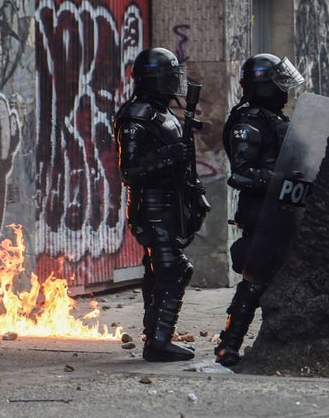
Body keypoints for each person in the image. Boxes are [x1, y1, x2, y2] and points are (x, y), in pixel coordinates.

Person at [113, 47, 207, 362]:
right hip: (150, 209)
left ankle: (155, 335)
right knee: (176, 269)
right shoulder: (136, 116)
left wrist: (193, 191)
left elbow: (181, 165)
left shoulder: (162, 113)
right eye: (169, 76)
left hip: (168, 206)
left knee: (158, 272)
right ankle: (159, 342)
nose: (174, 82)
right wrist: (169, 155)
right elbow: (130, 171)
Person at [215, 53, 305, 367]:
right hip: (261, 213)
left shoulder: (275, 118)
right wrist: (277, 179)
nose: (283, 89)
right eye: (278, 82)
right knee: (255, 282)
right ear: (264, 85)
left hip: (286, 209)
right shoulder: (249, 121)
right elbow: (240, 173)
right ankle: (228, 346)